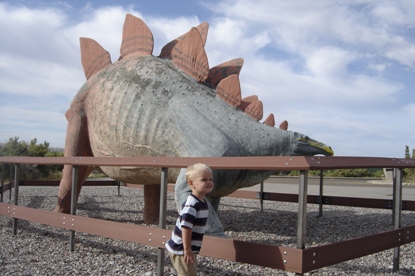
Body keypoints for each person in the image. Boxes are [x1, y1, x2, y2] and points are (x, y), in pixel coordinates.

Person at [166, 163, 214, 276]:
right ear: (191, 184)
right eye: (204, 179)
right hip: (181, 249)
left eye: (211, 179)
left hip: (187, 248)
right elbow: (186, 228)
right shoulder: (192, 205)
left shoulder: (202, 201)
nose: (209, 182)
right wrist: (187, 250)